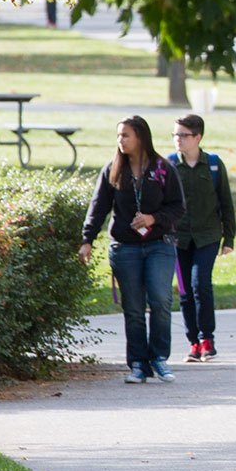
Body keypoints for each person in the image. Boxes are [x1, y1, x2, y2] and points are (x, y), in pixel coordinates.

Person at [79, 116, 187, 383]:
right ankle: (138, 363)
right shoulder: (113, 170)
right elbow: (99, 207)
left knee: (160, 299)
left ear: (140, 136)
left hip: (159, 245)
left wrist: (153, 218)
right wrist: (87, 239)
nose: (121, 141)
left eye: (126, 135)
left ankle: (159, 357)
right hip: (125, 247)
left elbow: (178, 207)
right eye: (118, 136)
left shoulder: (163, 168)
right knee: (134, 307)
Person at [168, 113, 236, 363]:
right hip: (177, 239)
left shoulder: (214, 165)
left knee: (200, 285)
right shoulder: (170, 165)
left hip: (208, 236)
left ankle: (208, 339)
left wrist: (229, 239)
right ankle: (194, 343)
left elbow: (226, 203)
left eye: (184, 135)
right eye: (175, 134)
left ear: (198, 137)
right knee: (185, 291)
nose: (178, 139)